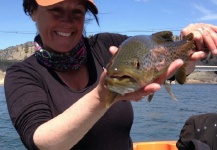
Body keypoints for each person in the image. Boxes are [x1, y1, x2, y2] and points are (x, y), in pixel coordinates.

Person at [4, 0, 217, 149]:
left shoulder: (107, 45)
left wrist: (191, 48)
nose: (67, 21)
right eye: (56, 10)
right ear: (32, 11)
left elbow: (171, 72)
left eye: (77, 11)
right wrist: (102, 95)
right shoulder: (21, 74)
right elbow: (42, 143)